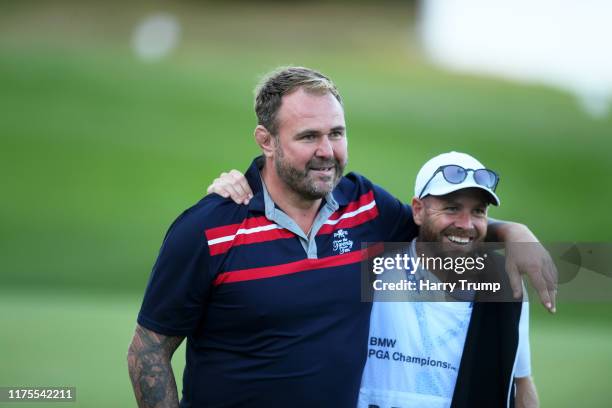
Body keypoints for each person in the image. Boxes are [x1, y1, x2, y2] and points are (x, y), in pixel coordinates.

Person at [128, 66, 554, 407]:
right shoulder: (208, 230)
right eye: (309, 136)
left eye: (336, 133)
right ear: (267, 141)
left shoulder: (366, 206)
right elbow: (148, 352)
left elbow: (441, 227)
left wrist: (511, 232)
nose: (327, 151)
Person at [357, 151, 539, 408]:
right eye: (452, 208)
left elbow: (521, 383)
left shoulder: (505, 286)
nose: (466, 224)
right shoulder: (373, 270)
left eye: (478, 211)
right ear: (418, 210)